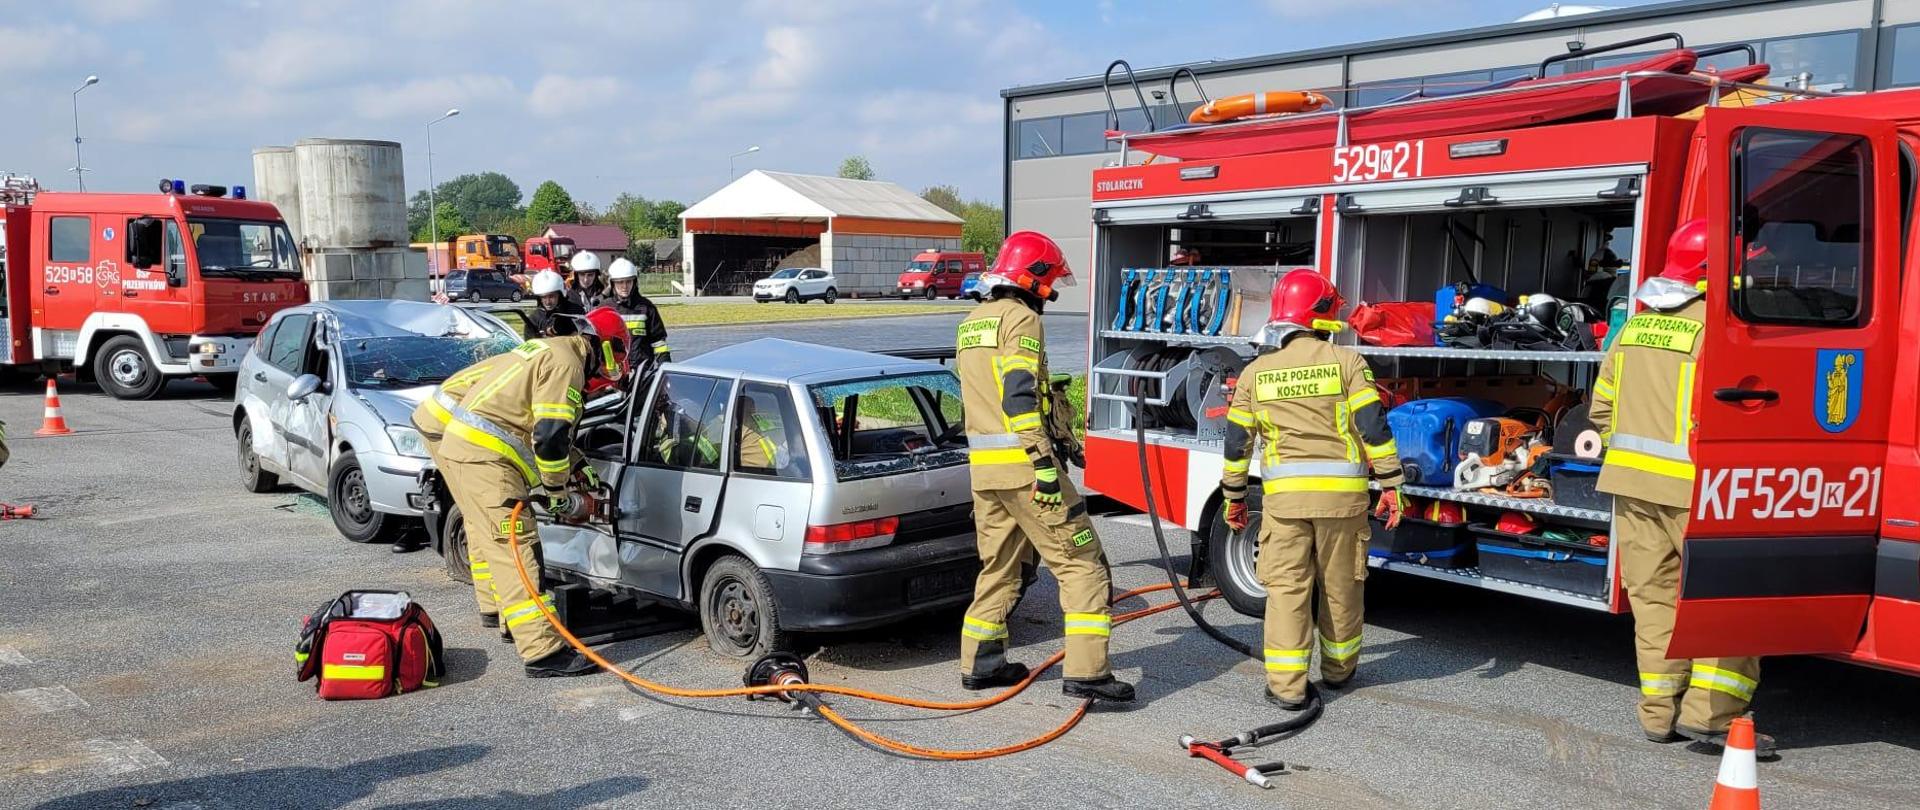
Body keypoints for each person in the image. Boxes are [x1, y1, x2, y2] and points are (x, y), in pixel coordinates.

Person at [1588, 219, 1773, 756]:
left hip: (1633, 486)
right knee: (1725, 601)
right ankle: (1712, 716)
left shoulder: (1634, 328)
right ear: (1715, 273)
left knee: (1654, 602)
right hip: (1701, 491)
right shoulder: (1724, 331)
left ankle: (1659, 713)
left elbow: (1602, 409)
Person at [954, 230, 1133, 704]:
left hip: (986, 475)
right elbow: (1017, 395)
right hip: (1027, 470)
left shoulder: (972, 321)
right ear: (1033, 279)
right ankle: (1088, 673)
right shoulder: (1022, 319)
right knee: (1082, 564)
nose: (1050, 294)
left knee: (1000, 567)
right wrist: (1045, 465)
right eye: (1050, 283)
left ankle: (980, 664)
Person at [410, 306, 634, 678]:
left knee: (488, 535)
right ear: (608, 348)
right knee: (517, 546)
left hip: (467, 446)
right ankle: (543, 651)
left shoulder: (555, 350)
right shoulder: (568, 365)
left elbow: (531, 421)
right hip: (486, 457)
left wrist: (577, 465)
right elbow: (548, 437)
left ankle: (501, 614)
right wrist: (559, 494)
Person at [1219, 268, 1404, 710]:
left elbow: (1236, 443)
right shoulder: (1348, 363)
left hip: (1284, 505)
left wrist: (1234, 498)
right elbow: (1373, 428)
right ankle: (1338, 672)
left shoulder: (1256, 373)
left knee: (1286, 592)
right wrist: (1392, 484)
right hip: (1343, 504)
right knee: (1341, 588)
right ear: (1321, 315)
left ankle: (1286, 688)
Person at [606, 257, 671, 363]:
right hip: (614, 370)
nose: (624, 286)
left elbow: (658, 341)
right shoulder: (605, 308)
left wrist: (665, 365)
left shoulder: (646, 307)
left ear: (634, 282)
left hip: (642, 369)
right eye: (620, 282)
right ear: (612, 284)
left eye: (628, 281)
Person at [524, 270, 582, 338]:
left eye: (551, 296)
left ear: (560, 295)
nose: (548, 302)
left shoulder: (575, 313)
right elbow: (529, 341)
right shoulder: (534, 318)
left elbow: (586, 338)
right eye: (543, 297)